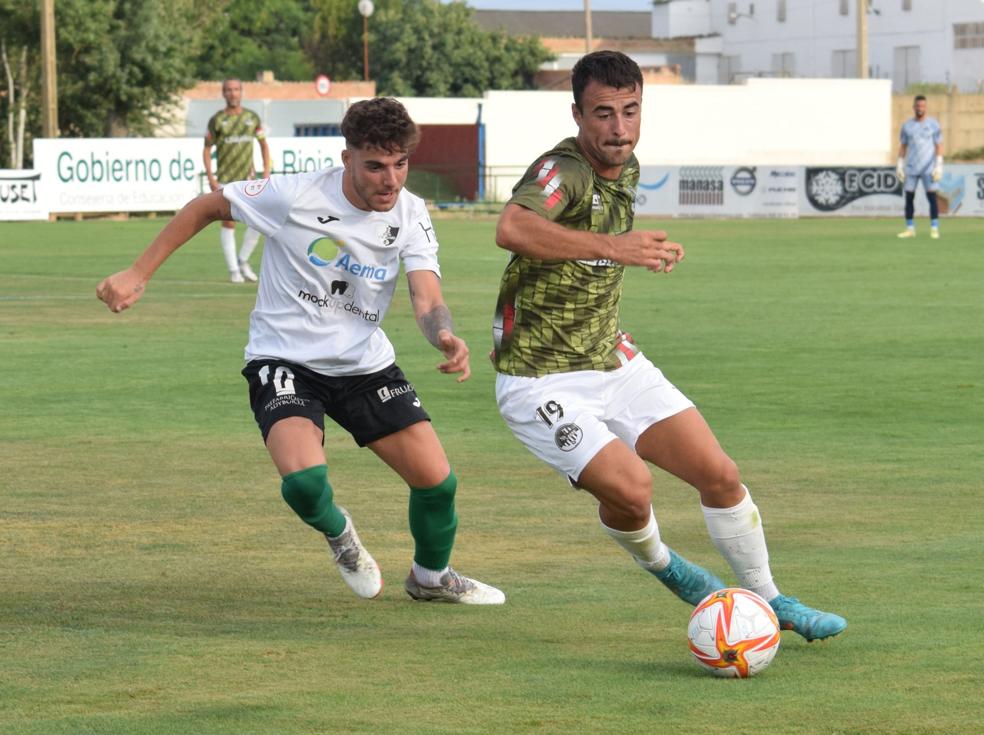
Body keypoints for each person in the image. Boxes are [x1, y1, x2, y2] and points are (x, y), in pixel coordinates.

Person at [491, 50, 845, 640]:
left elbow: (601, 250)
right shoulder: (564, 169)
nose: (619, 128)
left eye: (630, 112)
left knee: (721, 475)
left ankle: (771, 600)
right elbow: (512, 228)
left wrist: (637, 251)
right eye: (603, 114)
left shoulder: (624, 169)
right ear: (577, 113)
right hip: (539, 378)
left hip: (611, 358)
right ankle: (667, 566)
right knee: (633, 490)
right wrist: (617, 247)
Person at [98, 98, 504, 605]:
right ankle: (342, 538)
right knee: (307, 484)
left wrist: (443, 335)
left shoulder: (412, 212)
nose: (391, 180)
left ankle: (431, 577)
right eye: (375, 166)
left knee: (438, 485)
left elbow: (427, 298)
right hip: (284, 360)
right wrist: (138, 273)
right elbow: (209, 205)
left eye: (401, 164)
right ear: (347, 158)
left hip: (365, 365)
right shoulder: (295, 193)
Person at [203, 78, 272, 282]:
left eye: (236, 89)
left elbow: (263, 145)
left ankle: (243, 260)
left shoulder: (252, 118)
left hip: (249, 181)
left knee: (259, 222)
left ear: (242, 92)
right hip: (225, 180)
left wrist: (266, 172)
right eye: (228, 90)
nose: (232, 93)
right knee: (229, 224)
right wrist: (211, 177)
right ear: (223, 94)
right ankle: (234, 270)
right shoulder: (217, 120)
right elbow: (206, 149)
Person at [896, 94, 944, 240]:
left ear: (926, 108)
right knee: (909, 198)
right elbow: (903, 146)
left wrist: (939, 165)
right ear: (913, 107)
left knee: (932, 198)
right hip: (911, 168)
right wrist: (899, 165)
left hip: (929, 168)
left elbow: (939, 145)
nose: (920, 108)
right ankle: (910, 229)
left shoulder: (934, 125)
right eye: (918, 106)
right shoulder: (907, 126)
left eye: (922, 106)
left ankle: (934, 229)